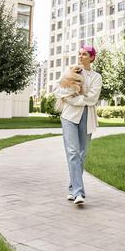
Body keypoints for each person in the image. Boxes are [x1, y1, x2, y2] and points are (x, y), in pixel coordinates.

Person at [53, 45, 102, 206]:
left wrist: (71, 98)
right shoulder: (70, 71)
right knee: (73, 152)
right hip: (69, 116)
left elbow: (92, 99)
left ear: (92, 58)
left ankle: (72, 188)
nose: (80, 57)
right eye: (79, 54)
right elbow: (58, 90)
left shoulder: (96, 77)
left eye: (85, 54)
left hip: (87, 117)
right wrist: (75, 98)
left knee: (82, 154)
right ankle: (79, 193)